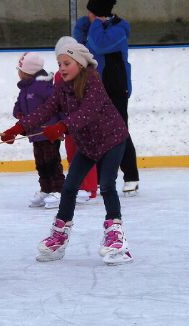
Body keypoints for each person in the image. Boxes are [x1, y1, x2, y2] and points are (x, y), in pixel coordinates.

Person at [0, 40, 134, 265]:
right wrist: (20, 127)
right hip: (88, 144)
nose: (61, 67)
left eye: (66, 63)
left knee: (108, 185)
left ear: (80, 64)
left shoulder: (93, 82)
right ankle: (59, 236)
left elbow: (88, 112)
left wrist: (61, 127)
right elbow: (47, 109)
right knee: (70, 187)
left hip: (112, 139)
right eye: (59, 63)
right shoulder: (61, 86)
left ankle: (116, 237)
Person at [73, 0, 140, 195]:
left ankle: (131, 176)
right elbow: (80, 48)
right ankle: (103, 176)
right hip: (94, 86)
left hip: (116, 87)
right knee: (97, 132)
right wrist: (92, 24)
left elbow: (100, 46)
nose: (87, 15)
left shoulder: (119, 29)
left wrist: (96, 24)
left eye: (91, 12)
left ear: (99, 12)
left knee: (119, 130)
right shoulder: (86, 25)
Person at [11, 51, 65, 209]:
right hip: (34, 134)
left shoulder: (42, 87)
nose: (18, 72)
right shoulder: (25, 88)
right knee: (41, 163)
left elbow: (57, 104)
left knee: (52, 162)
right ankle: (46, 189)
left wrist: (60, 126)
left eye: (19, 69)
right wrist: (19, 113)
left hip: (48, 133)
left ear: (28, 71)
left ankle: (58, 190)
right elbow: (18, 105)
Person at [54, 36, 98, 204]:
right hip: (69, 123)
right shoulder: (59, 77)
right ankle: (78, 185)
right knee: (72, 154)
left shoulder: (88, 75)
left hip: (86, 123)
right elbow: (57, 101)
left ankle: (90, 188)